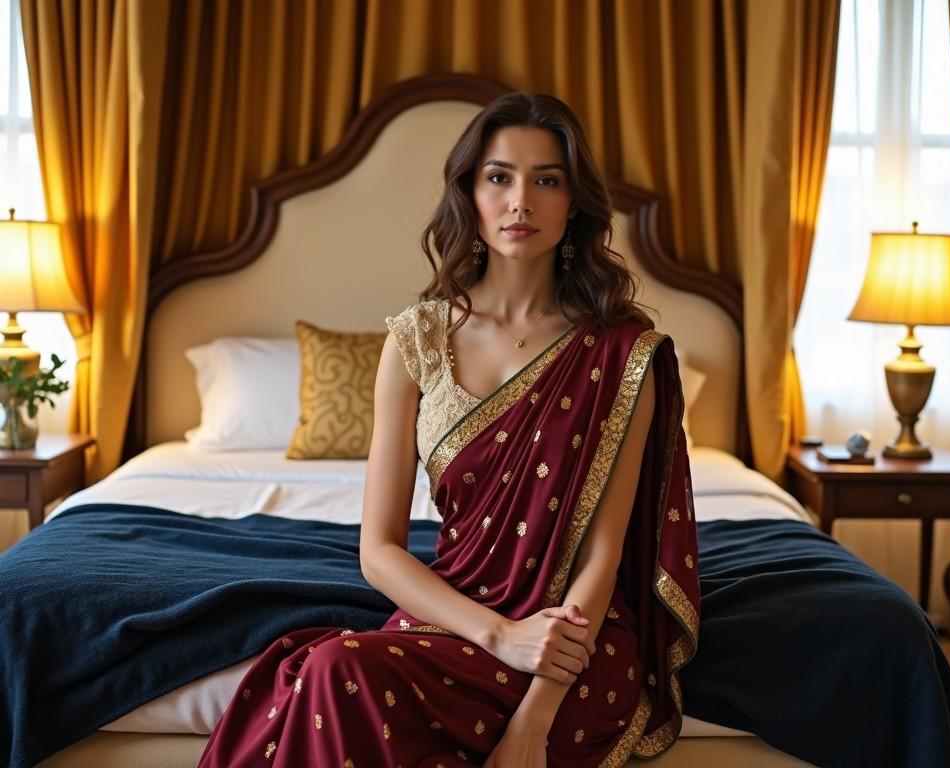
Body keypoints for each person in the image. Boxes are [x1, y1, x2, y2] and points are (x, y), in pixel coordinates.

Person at [198, 92, 698, 768]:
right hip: (458, 620)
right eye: (499, 177)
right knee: (334, 669)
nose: (520, 200)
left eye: (546, 180)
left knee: (347, 680)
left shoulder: (623, 353)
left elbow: (600, 560)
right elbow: (378, 552)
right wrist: (499, 635)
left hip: (572, 646)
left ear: (573, 201)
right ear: (470, 192)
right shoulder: (416, 342)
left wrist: (533, 720)